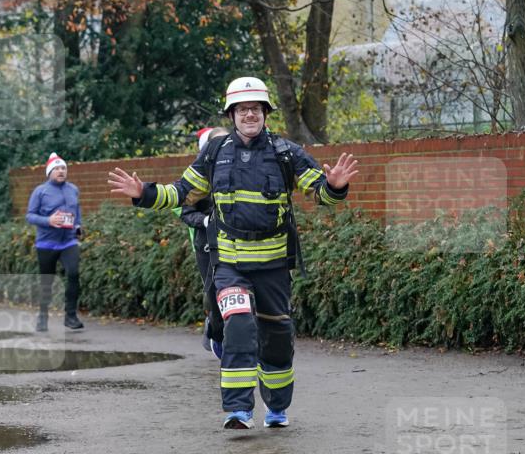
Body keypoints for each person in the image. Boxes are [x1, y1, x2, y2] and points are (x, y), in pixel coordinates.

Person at [109, 76, 359, 430]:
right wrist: (145, 193)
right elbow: (183, 192)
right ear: (232, 114)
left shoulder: (285, 152)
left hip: (273, 265)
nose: (249, 115)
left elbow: (319, 191)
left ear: (265, 113)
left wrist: (335, 186)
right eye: (242, 109)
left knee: (276, 341)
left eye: (255, 108)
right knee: (239, 324)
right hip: (229, 263)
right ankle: (238, 411)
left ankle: (276, 408)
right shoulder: (215, 152)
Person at [178, 127, 229, 360]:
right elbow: (184, 211)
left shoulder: (241, 169)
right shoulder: (198, 176)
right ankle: (215, 329)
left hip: (238, 244)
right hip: (206, 244)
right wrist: (206, 220)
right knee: (214, 293)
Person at [25, 152, 84, 331]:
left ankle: (71, 316)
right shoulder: (40, 191)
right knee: (47, 282)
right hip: (46, 243)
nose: (61, 171)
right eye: (57, 168)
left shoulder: (73, 189)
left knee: (73, 274)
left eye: (63, 168)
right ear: (49, 172)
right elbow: (30, 215)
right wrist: (48, 221)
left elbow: (77, 210)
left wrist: (79, 226)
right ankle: (43, 316)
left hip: (68, 241)